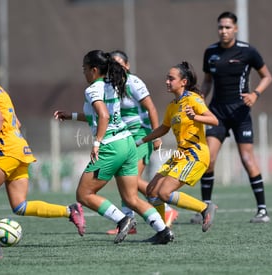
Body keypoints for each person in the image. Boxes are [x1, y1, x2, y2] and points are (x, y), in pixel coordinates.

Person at [0, 56, 85, 259]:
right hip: (21, 147)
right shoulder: (0, 90)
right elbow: (16, 122)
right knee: (20, 206)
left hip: (7, 150)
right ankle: (70, 210)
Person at [54, 50, 172, 245]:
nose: (83, 73)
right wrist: (71, 116)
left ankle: (122, 219)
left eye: (84, 69)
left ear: (93, 70)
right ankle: (163, 231)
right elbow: (97, 115)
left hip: (111, 147)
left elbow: (104, 116)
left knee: (83, 194)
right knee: (131, 198)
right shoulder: (113, 85)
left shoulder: (92, 90)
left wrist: (96, 143)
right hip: (127, 143)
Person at [190, 11, 272, 224]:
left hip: (240, 113)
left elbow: (267, 76)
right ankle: (205, 209)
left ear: (235, 28)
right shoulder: (210, 52)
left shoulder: (248, 51)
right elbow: (208, 81)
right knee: (208, 159)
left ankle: (262, 210)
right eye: (220, 27)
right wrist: (200, 100)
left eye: (227, 27)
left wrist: (255, 94)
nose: (223, 31)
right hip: (217, 113)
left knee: (247, 159)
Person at [136, 61, 219, 237]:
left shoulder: (194, 99)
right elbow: (163, 128)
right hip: (181, 154)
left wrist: (195, 116)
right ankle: (162, 231)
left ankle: (205, 208)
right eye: (167, 78)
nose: (167, 81)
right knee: (151, 190)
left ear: (184, 81)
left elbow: (214, 120)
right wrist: (142, 140)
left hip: (195, 154)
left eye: (171, 78)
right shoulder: (172, 106)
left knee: (164, 192)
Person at [105, 50, 178, 235]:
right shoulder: (110, 85)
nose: (116, 67)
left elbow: (151, 108)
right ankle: (130, 223)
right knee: (125, 179)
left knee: (133, 180)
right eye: (112, 63)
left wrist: (156, 135)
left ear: (127, 66)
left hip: (140, 137)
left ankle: (167, 211)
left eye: (119, 63)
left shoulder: (133, 82)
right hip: (124, 138)